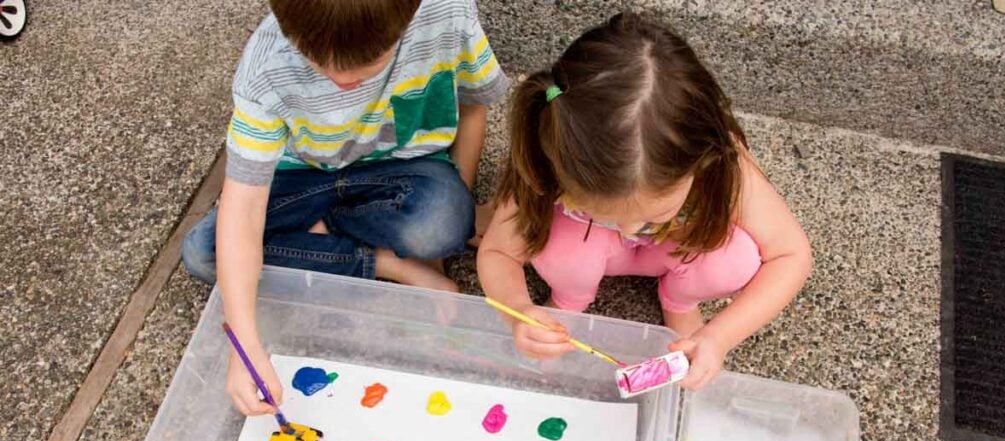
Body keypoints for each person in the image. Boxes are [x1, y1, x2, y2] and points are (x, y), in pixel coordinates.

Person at [182, 0, 508, 415]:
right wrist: (244, 344)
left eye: (369, 62)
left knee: (445, 221)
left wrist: (458, 202)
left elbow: (473, 106)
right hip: (301, 174)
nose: (343, 79)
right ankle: (384, 262)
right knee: (203, 252)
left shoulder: (447, 12)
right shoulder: (265, 67)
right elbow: (242, 207)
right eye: (317, 61)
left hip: (402, 169)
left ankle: (324, 236)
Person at [477, 13, 811, 390]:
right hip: (585, 250)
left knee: (733, 260)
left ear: (700, 162)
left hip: (678, 250)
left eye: (657, 211)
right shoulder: (549, 155)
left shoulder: (724, 166)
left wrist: (719, 336)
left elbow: (791, 254)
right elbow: (498, 252)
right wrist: (519, 311)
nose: (628, 231)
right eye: (598, 212)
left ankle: (680, 300)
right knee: (561, 250)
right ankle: (569, 298)